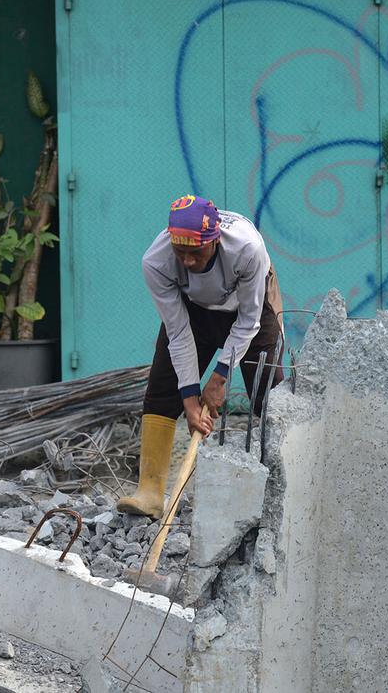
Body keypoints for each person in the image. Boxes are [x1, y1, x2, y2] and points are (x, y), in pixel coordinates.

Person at [117, 195, 284, 519]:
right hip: (194, 310)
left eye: (196, 253)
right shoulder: (156, 261)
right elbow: (178, 333)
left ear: (216, 240)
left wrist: (219, 377)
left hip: (251, 309)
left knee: (269, 394)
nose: (189, 261)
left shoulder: (247, 248)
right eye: (181, 254)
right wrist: (190, 398)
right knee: (163, 387)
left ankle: (283, 489)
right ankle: (150, 493)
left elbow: (248, 321)